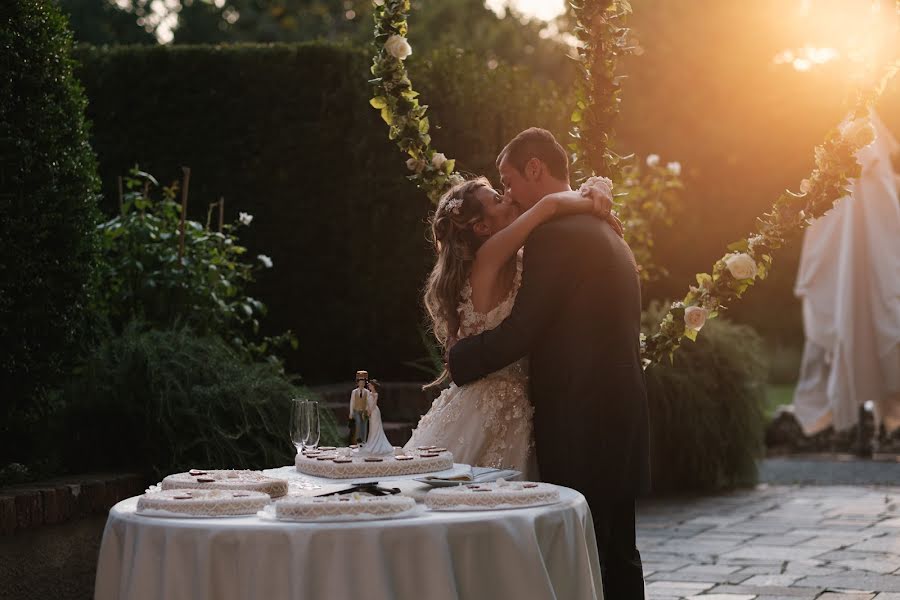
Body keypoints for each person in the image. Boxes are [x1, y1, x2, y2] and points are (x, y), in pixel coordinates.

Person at [448, 128, 650, 600]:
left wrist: (460, 359)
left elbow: (523, 330)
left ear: (534, 168)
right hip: (619, 415)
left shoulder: (555, 236)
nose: (508, 193)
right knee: (618, 555)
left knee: (591, 558)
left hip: (585, 423)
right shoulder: (601, 225)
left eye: (508, 179)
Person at [404, 159, 619, 480]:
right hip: (487, 411)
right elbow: (548, 205)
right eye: (496, 198)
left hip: (518, 406)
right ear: (482, 227)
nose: (507, 197)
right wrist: (595, 194)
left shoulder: (512, 258)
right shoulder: (488, 257)